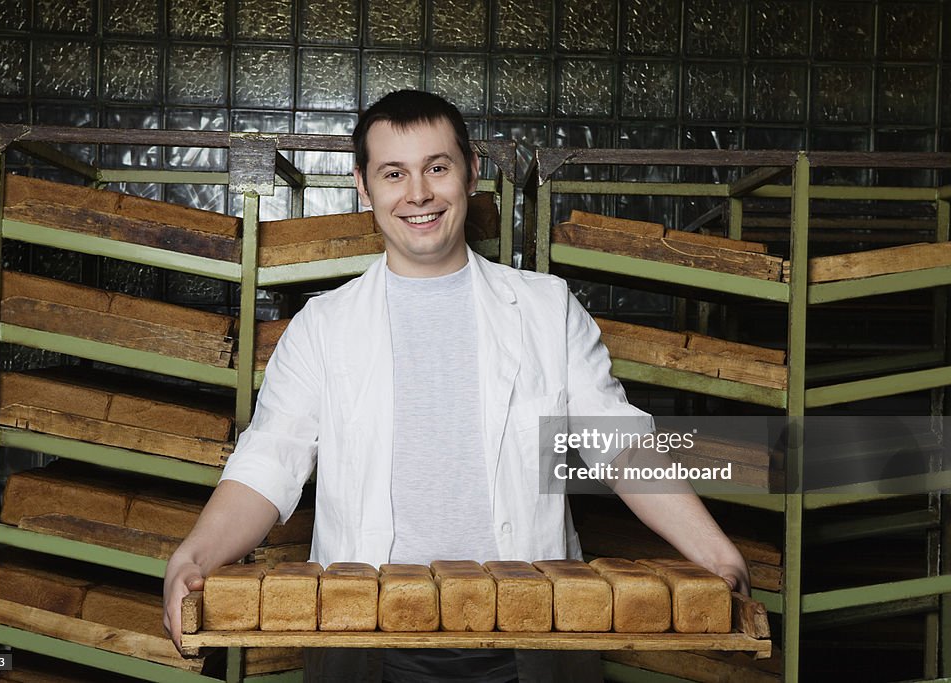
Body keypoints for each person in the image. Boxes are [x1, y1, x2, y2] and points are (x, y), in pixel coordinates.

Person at [162, 89, 750, 682]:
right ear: (364, 189)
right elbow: (270, 461)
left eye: (436, 168)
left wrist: (713, 551)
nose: (418, 193)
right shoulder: (324, 326)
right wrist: (197, 554)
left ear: (470, 173)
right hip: (369, 640)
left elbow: (618, 442)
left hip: (532, 636)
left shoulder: (545, 309)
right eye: (394, 173)